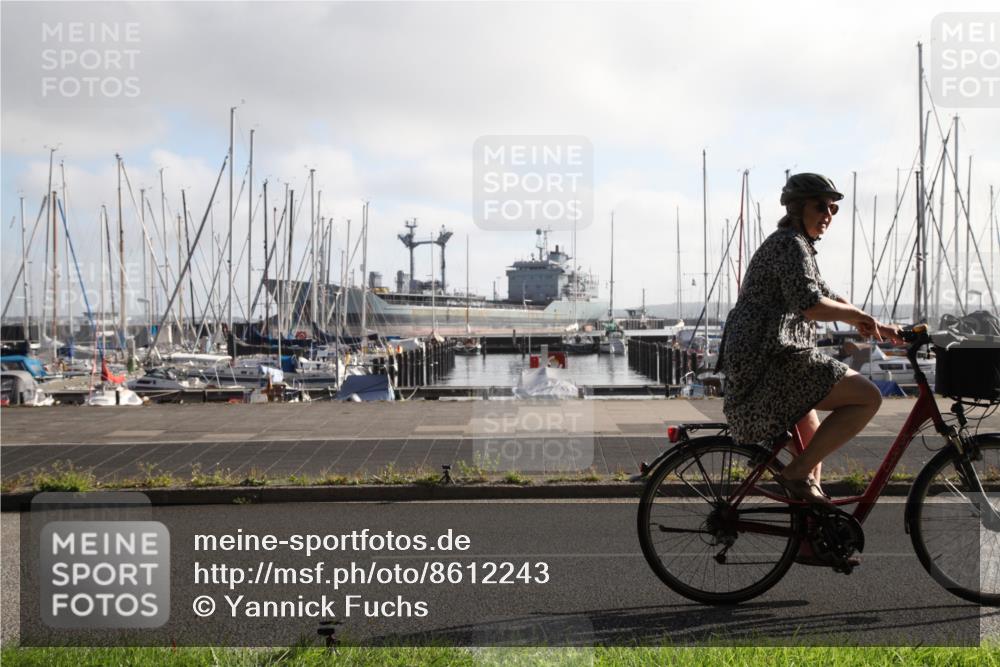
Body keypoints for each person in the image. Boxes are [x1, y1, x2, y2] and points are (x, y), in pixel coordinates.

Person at [716, 173, 902, 506]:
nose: (828, 214)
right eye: (821, 206)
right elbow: (811, 304)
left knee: (812, 445)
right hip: (770, 363)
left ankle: (810, 531)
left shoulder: (797, 246)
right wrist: (858, 318)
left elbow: (828, 296)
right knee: (867, 397)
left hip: (774, 360)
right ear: (798, 207)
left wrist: (881, 327)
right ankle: (795, 476)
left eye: (833, 208)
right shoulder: (789, 244)